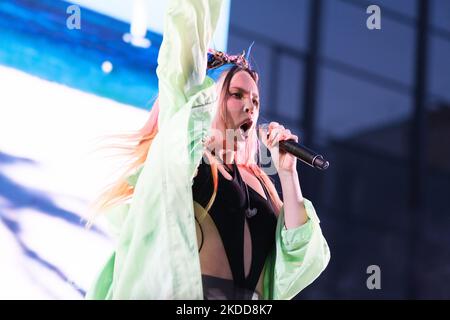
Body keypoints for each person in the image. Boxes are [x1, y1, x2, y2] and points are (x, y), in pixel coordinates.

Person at [86, 0, 330, 300]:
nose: (248, 106)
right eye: (236, 95)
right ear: (209, 100)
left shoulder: (261, 181)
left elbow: (298, 252)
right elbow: (182, 62)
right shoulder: (182, 163)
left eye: (255, 101)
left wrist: (287, 173)